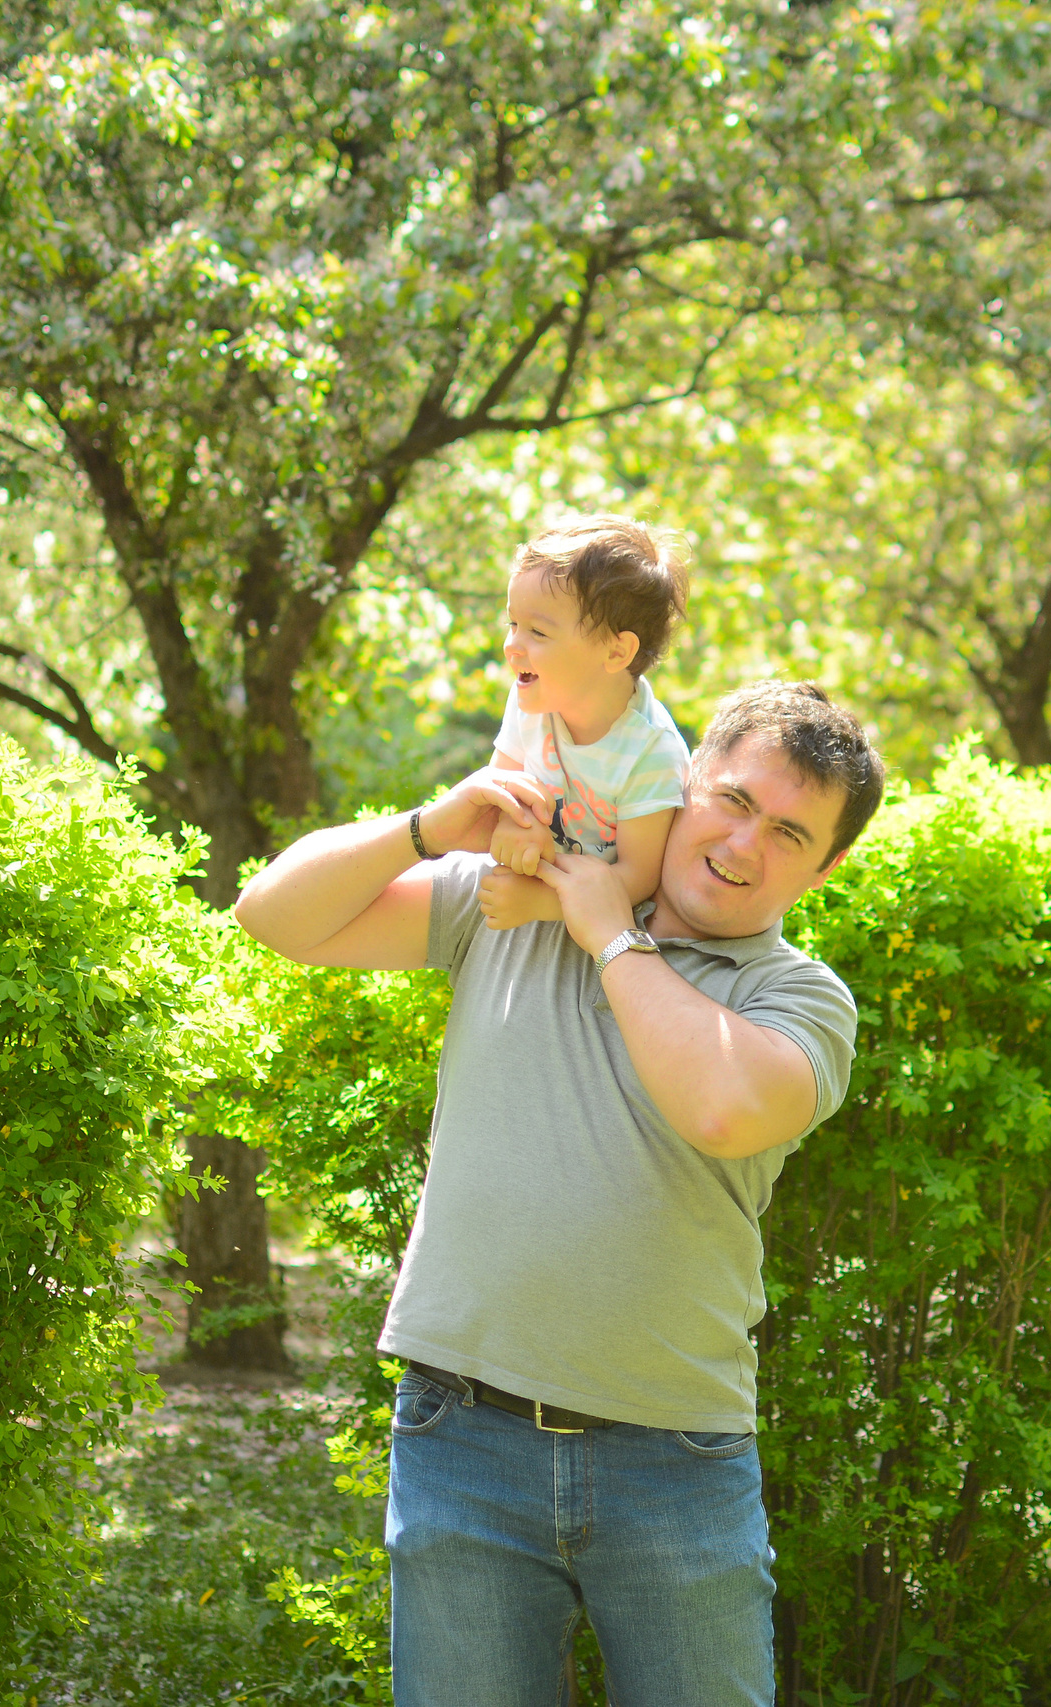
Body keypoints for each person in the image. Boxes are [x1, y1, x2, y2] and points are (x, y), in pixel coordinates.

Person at [233, 679, 888, 1707]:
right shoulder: (509, 905)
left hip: (673, 1460)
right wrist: (426, 827)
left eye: (790, 832)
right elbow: (272, 917)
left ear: (827, 866)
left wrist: (607, 933)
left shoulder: (797, 997)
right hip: (464, 1440)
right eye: (731, 799)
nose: (743, 842)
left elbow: (720, 1109)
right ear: (680, 781)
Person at [478, 514, 692, 934]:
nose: (511, 646)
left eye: (537, 631)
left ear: (616, 652)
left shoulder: (649, 752)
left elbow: (638, 878)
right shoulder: (531, 699)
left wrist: (542, 902)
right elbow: (498, 789)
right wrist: (517, 823)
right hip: (533, 884)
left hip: (605, 924)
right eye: (513, 624)